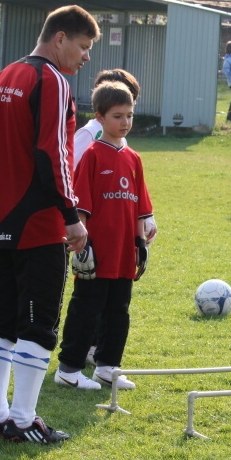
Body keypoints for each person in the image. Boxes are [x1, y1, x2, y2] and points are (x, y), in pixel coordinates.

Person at [0, 5, 100, 444]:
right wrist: (72, 216)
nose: (86, 58)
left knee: (1, 320)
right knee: (39, 324)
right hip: (38, 221)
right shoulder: (52, 80)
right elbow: (54, 153)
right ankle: (24, 418)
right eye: (84, 47)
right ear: (61, 37)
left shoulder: (3, 77)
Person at [54, 82, 153, 391]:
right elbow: (80, 208)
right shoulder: (94, 155)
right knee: (87, 308)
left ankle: (107, 367)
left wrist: (142, 239)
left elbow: (140, 206)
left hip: (124, 252)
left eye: (129, 115)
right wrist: (81, 247)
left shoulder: (133, 158)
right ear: (100, 116)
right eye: (117, 116)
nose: (124, 123)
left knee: (118, 311)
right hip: (97, 252)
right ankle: (68, 368)